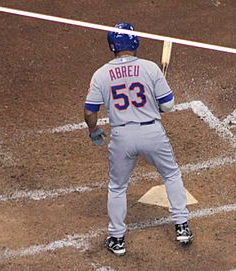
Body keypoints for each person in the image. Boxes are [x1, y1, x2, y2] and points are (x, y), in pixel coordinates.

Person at [84, 22, 193, 256]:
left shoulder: (101, 74)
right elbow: (168, 105)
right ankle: (182, 226)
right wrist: (157, 107)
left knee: (117, 186)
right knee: (171, 174)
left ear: (112, 46)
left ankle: (117, 239)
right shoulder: (150, 68)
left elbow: (90, 110)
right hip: (152, 132)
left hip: (122, 136)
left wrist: (93, 131)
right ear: (135, 42)